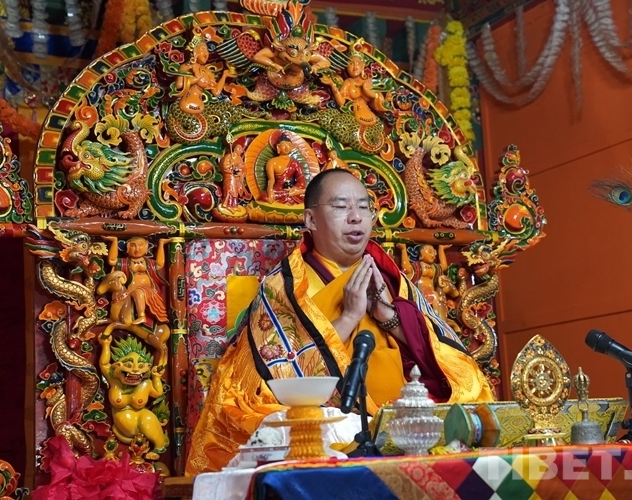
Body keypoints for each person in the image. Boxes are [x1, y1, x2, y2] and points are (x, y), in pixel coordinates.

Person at [186, 169, 493, 474]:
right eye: (341, 206)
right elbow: (281, 381)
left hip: (404, 428)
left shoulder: (392, 281)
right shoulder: (286, 288)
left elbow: (445, 362)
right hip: (333, 429)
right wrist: (349, 316)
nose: (356, 217)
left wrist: (388, 316)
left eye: (363, 206)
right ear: (310, 220)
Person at [260, 137, 307, 204]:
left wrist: (295, 189)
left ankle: (293, 194)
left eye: (289, 145)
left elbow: (301, 180)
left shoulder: (295, 163)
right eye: (284, 145)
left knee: (305, 196)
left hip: (291, 189)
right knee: (264, 196)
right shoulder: (272, 162)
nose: (287, 147)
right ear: (278, 147)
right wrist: (270, 191)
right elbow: (271, 179)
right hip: (278, 191)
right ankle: (290, 195)